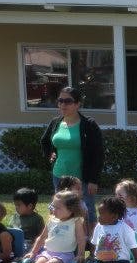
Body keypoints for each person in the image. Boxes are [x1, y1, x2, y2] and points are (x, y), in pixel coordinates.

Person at [40, 86, 104, 230]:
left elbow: (98, 154)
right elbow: (44, 142)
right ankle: (64, 241)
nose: (63, 105)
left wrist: (93, 180)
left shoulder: (88, 125)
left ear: (77, 104)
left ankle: (90, 244)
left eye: (68, 101)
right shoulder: (56, 122)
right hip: (59, 176)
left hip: (83, 177)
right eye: (60, 101)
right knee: (60, 209)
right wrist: (50, 153)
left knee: (87, 210)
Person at [10, 190, 87, 263]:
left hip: (64, 255)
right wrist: (33, 252)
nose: (53, 210)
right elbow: (41, 238)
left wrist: (80, 254)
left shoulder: (75, 221)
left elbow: (81, 239)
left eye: (58, 208)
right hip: (47, 252)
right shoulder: (51, 220)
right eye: (53, 206)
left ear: (71, 209)